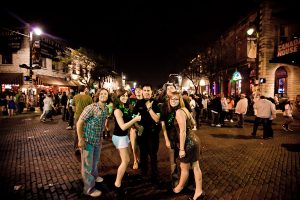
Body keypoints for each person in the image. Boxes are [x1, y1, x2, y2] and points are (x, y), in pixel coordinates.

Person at [168, 91, 204, 200]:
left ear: (180, 100)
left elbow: (183, 131)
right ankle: (198, 192)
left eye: (176, 99)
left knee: (184, 168)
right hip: (194, 139)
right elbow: (193, 124)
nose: (173, 101)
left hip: (188, 142)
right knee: (195, 167)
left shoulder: (179, 112)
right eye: (171, 99)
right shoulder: (185, 110)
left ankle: (179, 188)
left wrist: (182, 149)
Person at [76, 88, 110, 197]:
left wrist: (102, 136)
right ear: (98, 95)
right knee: (87, 166)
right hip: (88, 140)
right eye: (102, 93)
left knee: (95, 161)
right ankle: (89, 189)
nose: (104, 95)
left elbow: (102, 124)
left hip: (97, 140)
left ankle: (95, 177)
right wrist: (80, 139)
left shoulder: (105, 109)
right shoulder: (91, 108)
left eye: (106, 94)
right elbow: (79, 123)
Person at [112, 89, 141, 195]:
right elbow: (123, 127)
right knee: (125, 161)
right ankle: (117, 185)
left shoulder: (125, 108)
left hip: (123, 137)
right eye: (122, 96)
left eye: (126, 95)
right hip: (119, 137)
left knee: (126, 160)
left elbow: (130, 119)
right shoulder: (117, 110)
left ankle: (121, 177)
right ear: (118, 97)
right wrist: (135, 119)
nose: (125, 97)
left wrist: (137, 121)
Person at [133, 84, 161, 184]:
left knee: (153, 155)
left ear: (151, 92)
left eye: (148, 90)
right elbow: (133, 116)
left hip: (152, 133)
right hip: (142, 133)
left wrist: (149, 109)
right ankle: (143, 173)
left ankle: (154, 175)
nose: (146, 92)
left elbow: (157, 119)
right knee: (143, 154)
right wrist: (137, 126)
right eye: (145, 90)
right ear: (142, 92)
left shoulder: (156, 103)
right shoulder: (138, 103)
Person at [73, 85, 93, 155]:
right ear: (85, 89)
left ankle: (76, 148)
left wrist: (76, 111)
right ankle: (85, 148)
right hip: (86, 117)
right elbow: (91, 108)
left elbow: (73, 106)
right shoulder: (89, 97)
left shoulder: (75, 97)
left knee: (77, 132)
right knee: (86, 132)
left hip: (77, 116)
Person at [129, 87, 143, 170]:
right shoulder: (131, 101)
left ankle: (140, 158)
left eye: (139, 90)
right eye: (136, 90)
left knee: (142, 145)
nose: (138, 91)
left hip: (144, 126)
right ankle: (135, 160)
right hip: (134, 126)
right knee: (134, 145)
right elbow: (130, 114)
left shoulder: (145, 100)